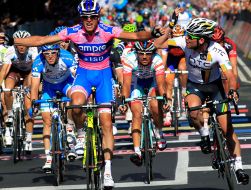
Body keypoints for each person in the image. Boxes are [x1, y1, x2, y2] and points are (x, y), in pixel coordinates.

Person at [5, 0, 163, 188]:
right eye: (85, 17)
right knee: (76, 104)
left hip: (104, 76)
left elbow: (135, 36)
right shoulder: (73, 32)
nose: (89, 20)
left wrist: (152, 34)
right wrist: (15, 41)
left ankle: (108, 171)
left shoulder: (107, 30)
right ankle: (81, 134)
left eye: (92, 17)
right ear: (81, 18)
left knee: (105, 122)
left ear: (98, 17)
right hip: (83, 75)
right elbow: (41, 41)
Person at [154, 18, 249, 184]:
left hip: (215, 87)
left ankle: (239, 167)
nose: (187, 38)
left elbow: (230, 74)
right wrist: (169, 28)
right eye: (187, 36)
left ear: (202, 39)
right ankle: (204, 133)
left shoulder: (218, 51)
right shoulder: (184, 41)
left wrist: (232, 90)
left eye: (191, 36)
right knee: (193, 110)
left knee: (227, 129)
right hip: (194, 85)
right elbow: (157, 44)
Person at [119, 40, 168, 166]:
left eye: (148, 54)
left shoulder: (157, 60)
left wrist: (165, 99)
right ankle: (137, 151)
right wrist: (123, 101)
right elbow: (126, 84)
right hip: (136, 85)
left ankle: (159, 131)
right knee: (136, 114)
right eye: (141, 54)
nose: (145, 57)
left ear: (153, 53)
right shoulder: (130, 59)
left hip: (152, 83)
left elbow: (161, 84)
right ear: (136, 53)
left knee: (156, 106)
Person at [29, 44, 77, 171]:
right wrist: (34, 103)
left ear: (58, 52)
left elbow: (76, 78)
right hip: (49, 88)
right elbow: (34, 87)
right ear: (42, 54)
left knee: (73, 100)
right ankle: (48, 158)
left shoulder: (67, 57)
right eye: (46, 53)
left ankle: (71, 134)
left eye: (53, 53)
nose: (50, 56)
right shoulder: (38, 62)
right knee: (46, 121)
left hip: (66, 84)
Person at [0, 30, 38, 153]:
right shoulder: (10, 51)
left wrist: (30, 88)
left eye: (24, 43)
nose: (21, 46)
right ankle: (10, 115)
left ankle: (28, 139)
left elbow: (35, 70)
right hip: (14, 72)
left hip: (29, 73)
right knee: (7, 90)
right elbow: (4, 70)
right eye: (18, 44)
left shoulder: (33, 50)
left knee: (28, 108)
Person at [160, 24, 187, 126]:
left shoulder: (186, 43)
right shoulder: (168, 43)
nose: (178, 39)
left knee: (182, 68)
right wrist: (162, 72)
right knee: (168, 83)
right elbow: (163, 61)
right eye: (175, 37)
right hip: (171, 62)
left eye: (180, 37)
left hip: (182, 61)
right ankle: (168, 114)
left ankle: (184, 90)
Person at [212, 25, 239, 93]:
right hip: (211, 63)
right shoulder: (208, 44)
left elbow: (233, 66)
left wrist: (234, 86)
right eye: (216, 43)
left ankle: (227, 97)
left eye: (219, 42)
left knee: (226, 76)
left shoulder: (230, 44)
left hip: (224, 64)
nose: (218, 46)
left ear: (223, 39)